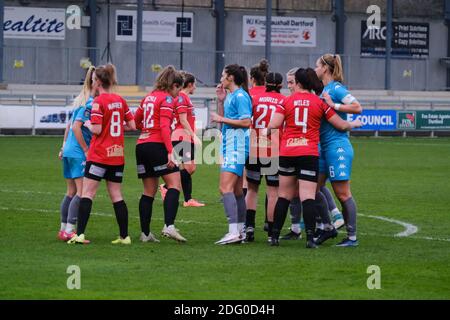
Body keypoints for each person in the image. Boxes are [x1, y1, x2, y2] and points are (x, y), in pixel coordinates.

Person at [268, 68, 362, 248]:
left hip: (288, 151)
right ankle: (311, 238)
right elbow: (340, 125)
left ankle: (274, 237)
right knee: (308, 196)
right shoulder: (319, 103)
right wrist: (354, 124)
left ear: (298, 83)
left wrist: (264, 132)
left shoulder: (286, 101)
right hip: (309, 152)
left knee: (284, 195)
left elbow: (273, 125)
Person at [68, 64, 136, 245]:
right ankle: (125, 236)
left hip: (99, 156)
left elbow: (96, 129)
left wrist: (89, 124)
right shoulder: (120, 100)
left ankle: (80, 234)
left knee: (88, 193)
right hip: (117, 155)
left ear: (97, 81)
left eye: (93, 80)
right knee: (116, 194)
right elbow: (132, 126)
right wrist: (115, 128)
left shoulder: (99, 101)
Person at [314, 54, 363, 247]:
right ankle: (327, 226)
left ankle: (352, 237)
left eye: (317, 65)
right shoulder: (325, 89)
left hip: (337, 147)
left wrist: (333, 104)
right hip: (324, 147)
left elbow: (357, 107)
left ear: (325, 68)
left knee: (343, 194)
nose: (315, 69)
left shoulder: (335, 88)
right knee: (313, 188)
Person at [134, 65, 187, 243]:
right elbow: (164, 126)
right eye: (178, 89)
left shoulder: (148, 98)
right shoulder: (166, 99)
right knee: (174, 184)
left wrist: (146, 131)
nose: (178, 93)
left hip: (141, 145)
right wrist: (171, 151)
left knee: (149, 191)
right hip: (157, 145)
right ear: (173, 85)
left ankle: (145, 233)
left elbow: (136, 121)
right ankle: (169, 226)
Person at [211, 64, 252, 245]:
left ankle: (233, 231)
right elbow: (226, 122)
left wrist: (221, 119)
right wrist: (220, 101)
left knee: (224, 188)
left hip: (237, 146)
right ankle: (240, 231)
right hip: (230, 145)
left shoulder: (241, 96)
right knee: (236, 191)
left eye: (223, 75)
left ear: (231, 78)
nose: (220, 79)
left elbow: (246, 121)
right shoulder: (230, 96)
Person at [244, 72, 284, 243]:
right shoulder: (283, 100)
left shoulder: (256, 98)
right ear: (281, 86)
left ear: (265, 83)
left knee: (252, 189)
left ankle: (249, 228)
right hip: (273, 149)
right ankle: (271, 234)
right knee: (273, 192)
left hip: (255, 147)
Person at [57, 66, 96, 241]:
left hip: (69, 151)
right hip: (78, 152)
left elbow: (69, 125)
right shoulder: (90, 103)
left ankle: (63, 229)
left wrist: (63, 147)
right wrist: (86, 150)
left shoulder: (81, 100)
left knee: (70, 191)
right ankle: (70, 229)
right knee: (82, 192)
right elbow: (75, 127)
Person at [159, 71, 204, 208]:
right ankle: (168, 187)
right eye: (194, 84)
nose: (195, 87)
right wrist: (194, 136)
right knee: (189, 168)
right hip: (181, 136)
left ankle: (186, 198)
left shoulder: (185, 98)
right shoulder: (181, 98)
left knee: (190, 168)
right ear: (190, 84)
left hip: (185, 136)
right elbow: (183, 120)